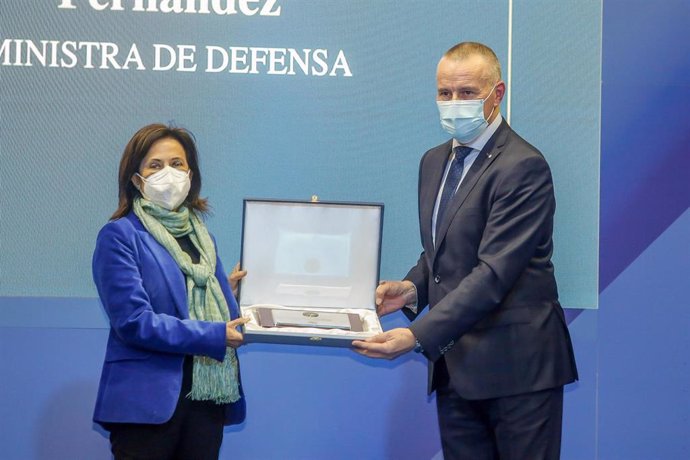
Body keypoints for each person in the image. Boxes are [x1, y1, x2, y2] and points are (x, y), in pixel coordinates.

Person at [352, 42, 578, 459]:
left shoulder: (523, 166)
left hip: (518, 372)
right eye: (445, 93)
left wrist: (418, 335)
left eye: (468, 92)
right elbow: (441, 253)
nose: (454, 103)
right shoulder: (433, 161)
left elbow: (493, 274)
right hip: (456, 371)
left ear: (498, 93)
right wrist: (410, 289)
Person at [92, 123, 249, 460]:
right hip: (146, 406)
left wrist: (226, 295)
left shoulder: (201, 238)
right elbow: (133, 321)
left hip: (207, 400)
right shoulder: (120, 236)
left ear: (191, 173)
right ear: (137, 180)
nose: (169, 174)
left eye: (177, 164)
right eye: (155, 165)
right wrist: (212, 333)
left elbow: (204, 306)